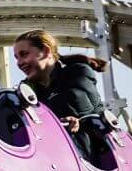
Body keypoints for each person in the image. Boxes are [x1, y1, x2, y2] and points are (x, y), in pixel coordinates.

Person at [12, 29, 108, 157]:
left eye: (24, 54)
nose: (19, 63)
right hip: (54, 157)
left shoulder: (77, 72)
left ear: (46, 51)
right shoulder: (26, 89)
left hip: (96, 152)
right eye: (17, 58)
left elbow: (76, 104)